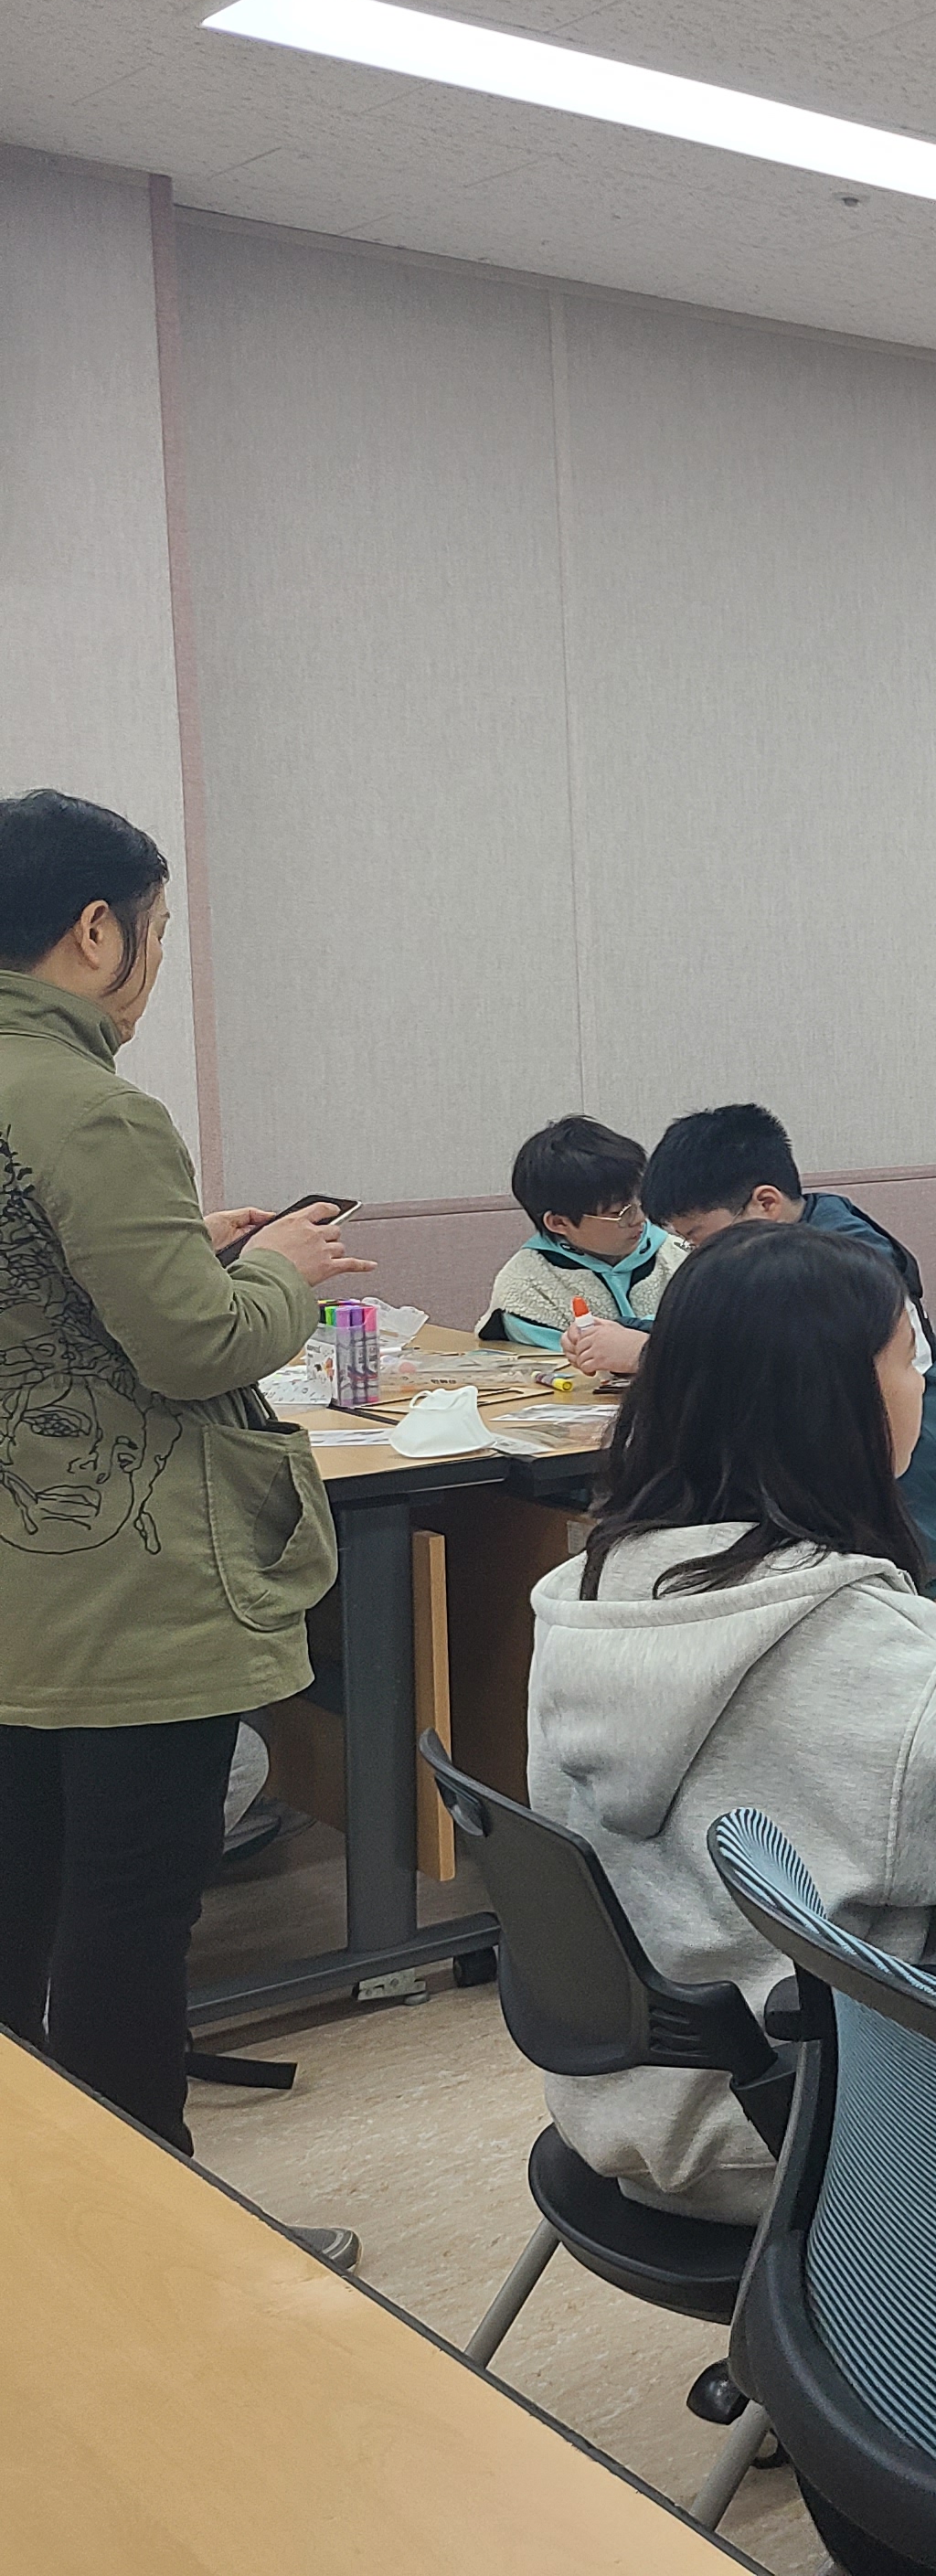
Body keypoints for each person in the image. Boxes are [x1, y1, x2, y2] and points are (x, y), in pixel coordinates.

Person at [528, 1220, 936, 2221]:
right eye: (907, 1361)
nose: (921, 1384)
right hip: (805, 2114)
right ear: (834, 1398)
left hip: (648, 2088)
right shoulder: (824, 1628)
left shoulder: (597, 1580)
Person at [0, 790, 370, 2202]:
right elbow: (197, 1343)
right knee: (128, 1909)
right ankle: (150, 2219)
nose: (151, 960)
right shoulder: (88, 1099)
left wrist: (187, 1243)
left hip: (19, 1573)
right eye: (154, 931)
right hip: (129, 1576)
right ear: (97, 929)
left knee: (20, 1890)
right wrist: (277, 1262)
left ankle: (39, 2202)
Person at [633, 1102, 936, 1592]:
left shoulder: (849, 1269)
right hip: (851, 1486)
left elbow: (798, 1380)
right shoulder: (781, 1254)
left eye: (695, 1237)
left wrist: (646, 1354)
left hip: (922, 1497)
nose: (692, 1255)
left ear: (765, 1204)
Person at [484, 1114, 685, 1347]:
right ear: (559, 1223)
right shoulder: (527, 1287)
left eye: (640, 1201)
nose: (640, 1218)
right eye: (619, 1212)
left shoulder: (679, 1256)